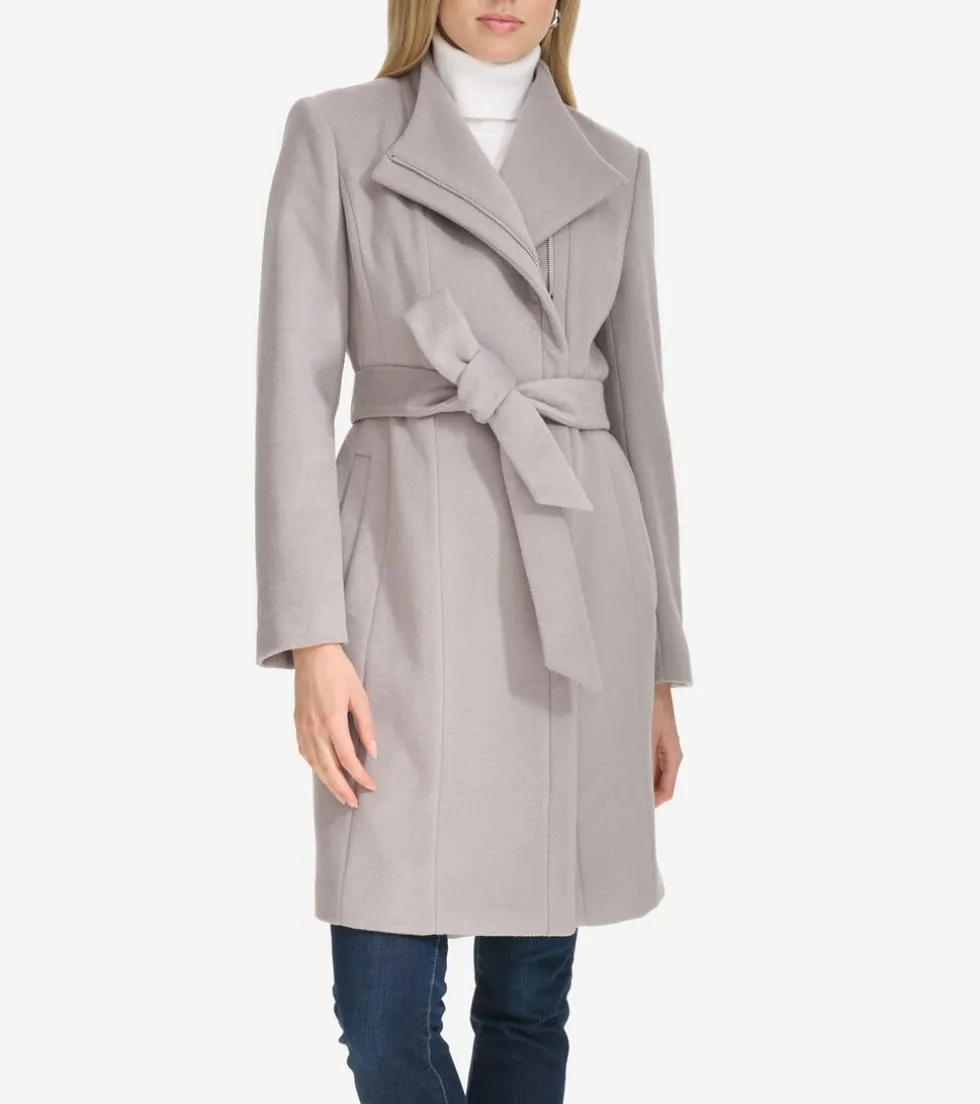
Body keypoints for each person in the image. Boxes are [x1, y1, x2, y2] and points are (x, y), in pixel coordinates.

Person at [254, 1, 694, 1100]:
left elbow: (641, 421)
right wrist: (312, 639)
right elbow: (291, 401)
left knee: (528, 1006)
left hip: (574, 595)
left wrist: (657, 670)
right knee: (381, 1021)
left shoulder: (613, 166)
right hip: (399, 583)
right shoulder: (335, 133)